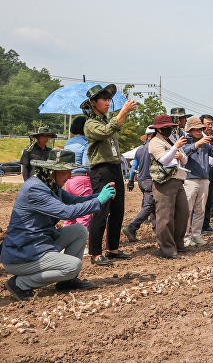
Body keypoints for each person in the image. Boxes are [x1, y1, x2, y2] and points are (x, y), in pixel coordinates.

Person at [1, 148, 116, 301]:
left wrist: (99, 195)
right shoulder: (35, 188)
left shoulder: (49, 185)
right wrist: (98, 201)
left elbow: (74, 201)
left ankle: (66, 281)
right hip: (23, 254)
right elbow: (67, 212)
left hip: (37, 244)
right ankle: (20, 283)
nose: (69, 177)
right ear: (51, 171)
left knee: (79, 230)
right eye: (65, 171)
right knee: (73, 266)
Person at [82, 84, 137, 266]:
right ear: (93, 103)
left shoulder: (106, 120)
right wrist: (123, 112)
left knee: (118, 210)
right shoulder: (90, 124)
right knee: (101, 210)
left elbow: (112, 127)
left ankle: (112, 249)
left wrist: (121, 114)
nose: (107, 102)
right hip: (101, 170)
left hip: (114, 167)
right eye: (103, 99)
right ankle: (95, 253)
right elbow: (106, 132)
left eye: (108, 99)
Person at [148, 114, 190, 259]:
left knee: (183, 213)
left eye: (170, 127)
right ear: (158, 129)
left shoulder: (172, 139)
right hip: (164, 181)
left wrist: (180, 155)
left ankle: (178, 244)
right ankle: (167, 249)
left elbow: (185, 159)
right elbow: (164, 160)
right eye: (165, 127)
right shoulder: (154, 142)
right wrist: (175, 150)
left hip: (178, 180)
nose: (168, 129)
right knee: (165, 216)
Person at [182, 117, 213, 246]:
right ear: (190, 130)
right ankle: (185, 237)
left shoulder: (205, 141)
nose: (199, 131)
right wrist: (197, 144)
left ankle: (196, 235)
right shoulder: (185, 140)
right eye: (196, 129)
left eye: (201, 129)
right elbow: (183, 152)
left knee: (200, 210)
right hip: (190, 179)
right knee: (187, 210)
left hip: (204, 179)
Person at [123, 127, 156, 242]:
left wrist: (131, 180)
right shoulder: (154, 148)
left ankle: (156, 230)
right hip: (150, 180)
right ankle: (131, 227)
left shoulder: (140, 149)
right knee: (149, 206)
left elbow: (134, 167)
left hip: (141, 180)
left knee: (152, 205)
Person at [62, 116, 92, 228]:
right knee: (84, 214)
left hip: (68, 179)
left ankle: (66, 241)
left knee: (70, 215)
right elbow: (86, 165)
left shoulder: (68, 142)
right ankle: (80, 243)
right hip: (82, 179)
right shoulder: (86, 143)